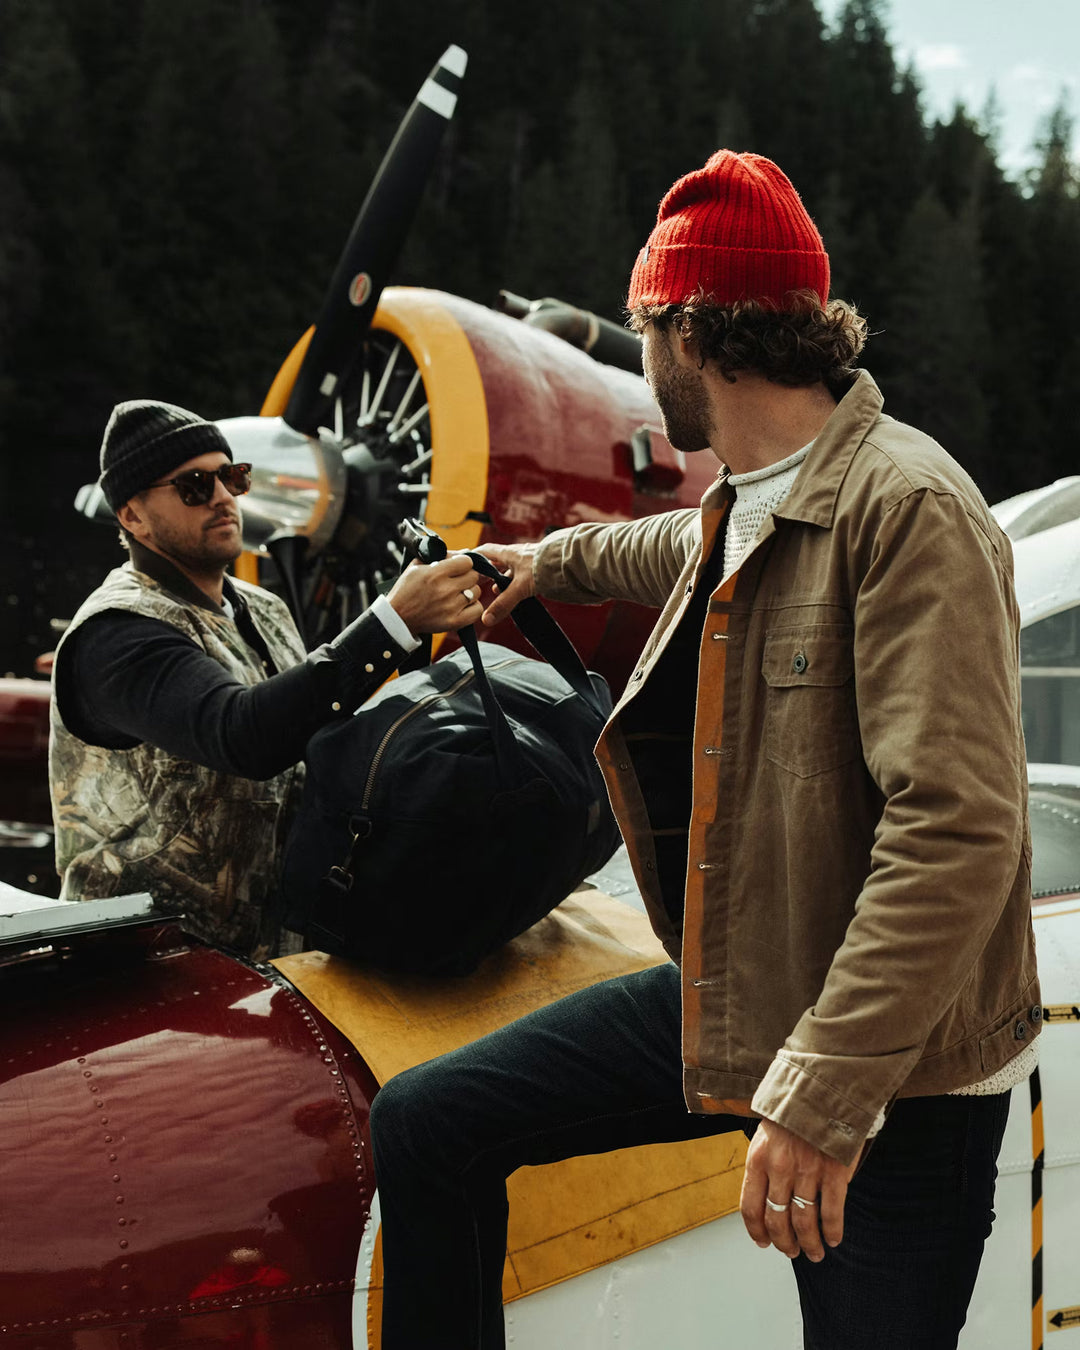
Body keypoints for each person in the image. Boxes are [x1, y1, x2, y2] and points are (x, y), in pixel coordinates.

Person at [368, 150, 1039, 1349]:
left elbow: (960, 834)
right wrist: (542, 565)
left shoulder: (911, 511)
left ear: (690, 330)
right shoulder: (761, 489)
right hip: (751, 994)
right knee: (431, 1122)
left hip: (896, 1078)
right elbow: (678, 544)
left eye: (642, 330)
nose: (639, 360)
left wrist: (823, 1100)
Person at [49, 400, 482, 959]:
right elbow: (243, 735)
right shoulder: (115, 635)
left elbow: (309, 731)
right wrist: (392, 621)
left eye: (232, 477)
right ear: (131, 517)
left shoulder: (266, 607)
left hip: (271, 958)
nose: (224, 497)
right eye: (194, 485)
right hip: (147, 967)